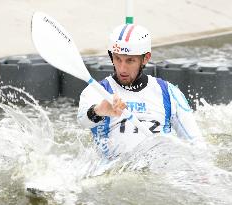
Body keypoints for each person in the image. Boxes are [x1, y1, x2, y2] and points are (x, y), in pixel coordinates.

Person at [77, 24, 202, 159]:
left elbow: (196, 143)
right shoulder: (97, 91)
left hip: (159, 171)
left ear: (146, 58)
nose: (122, 68)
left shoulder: (169, 92)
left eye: (130, 60)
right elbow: (83, 120)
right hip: (113, 171)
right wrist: (98, 110)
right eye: (117, 59)